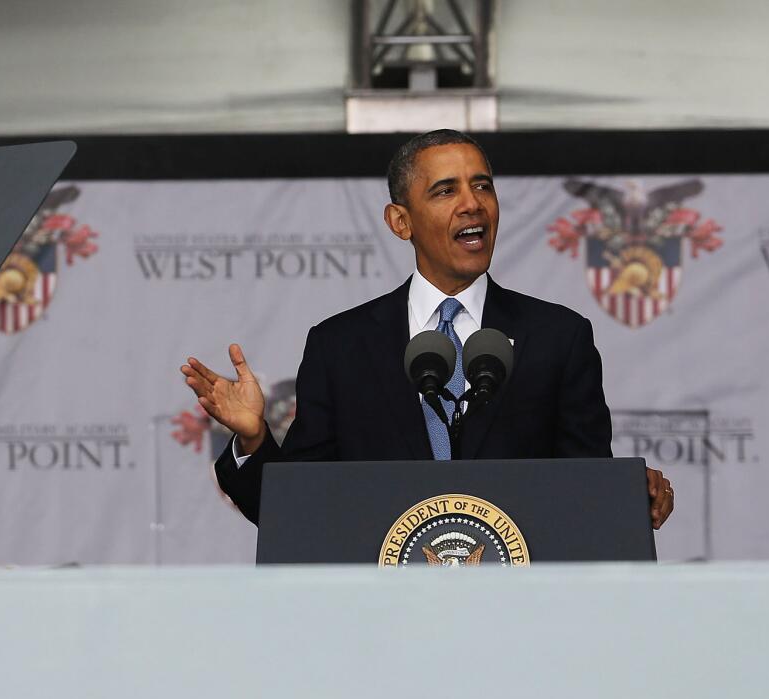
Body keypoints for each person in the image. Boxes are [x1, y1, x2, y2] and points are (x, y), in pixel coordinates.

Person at [182, 129, 674, 528]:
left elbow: (584, 491)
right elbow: (299, 511)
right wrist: (253, 440)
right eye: (446, 190)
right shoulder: (341, 346)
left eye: (482, 185)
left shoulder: (559, 337)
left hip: (519, 616)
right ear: (401, 221)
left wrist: (628, 494)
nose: (472, 204)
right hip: (386, 620)